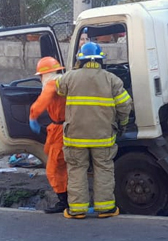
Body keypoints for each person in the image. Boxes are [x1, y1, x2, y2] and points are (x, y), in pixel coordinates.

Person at [55, 42, 132, 219]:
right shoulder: (112, 79)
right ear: (101, 60)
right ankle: (106, 209)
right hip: (102, 136)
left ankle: (77, 210)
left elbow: (58, 88)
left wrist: (74, 70)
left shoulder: (69, 77)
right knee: (103, 168)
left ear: (80, 61)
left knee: (76, 169)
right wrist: (123, 122)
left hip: (75, 137)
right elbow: (125, 105)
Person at [28, 57, 68, 214]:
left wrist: (33, 116)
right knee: (57, 161)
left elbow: (40, 103)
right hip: (58, 128)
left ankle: (64, 201)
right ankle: (67, 199)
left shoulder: (52, 84)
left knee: (54, 168)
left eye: (40, 75)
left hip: (60, 130)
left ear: (45, 74)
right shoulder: (62, 81)